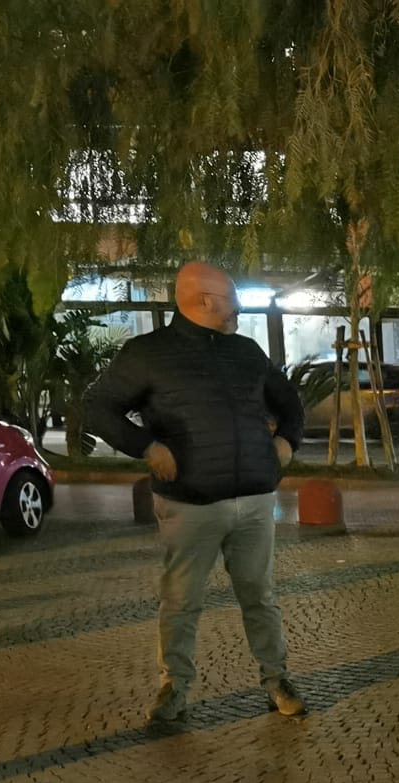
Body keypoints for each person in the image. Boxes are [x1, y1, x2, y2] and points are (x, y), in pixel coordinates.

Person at [87, 261, 308, 724]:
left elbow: (289, 401)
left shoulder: (246, 352)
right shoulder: (147, 353)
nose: (240, 305)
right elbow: (99, 409)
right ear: (205, 300)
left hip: (253, 500)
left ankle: (276, 679)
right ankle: (175, 687)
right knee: (181, 600)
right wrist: (145, 447)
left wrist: (287, 440)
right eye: (232, 296)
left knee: (260, 596)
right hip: (188, 502)